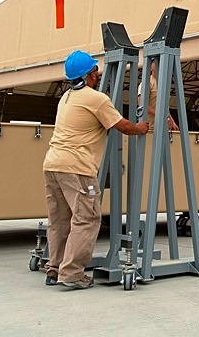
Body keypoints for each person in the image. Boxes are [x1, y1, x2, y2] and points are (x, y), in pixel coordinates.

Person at [42, 50, 151, 289]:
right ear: (91, 74)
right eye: (95, 71)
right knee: (87, 219)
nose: (97, 75)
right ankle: (71, 274)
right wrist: (141, 127)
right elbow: (121, 125)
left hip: (53, 164)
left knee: (60, 220)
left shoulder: (66, 98)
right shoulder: (96, 99)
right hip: (77, 168)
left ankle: (55, 269)